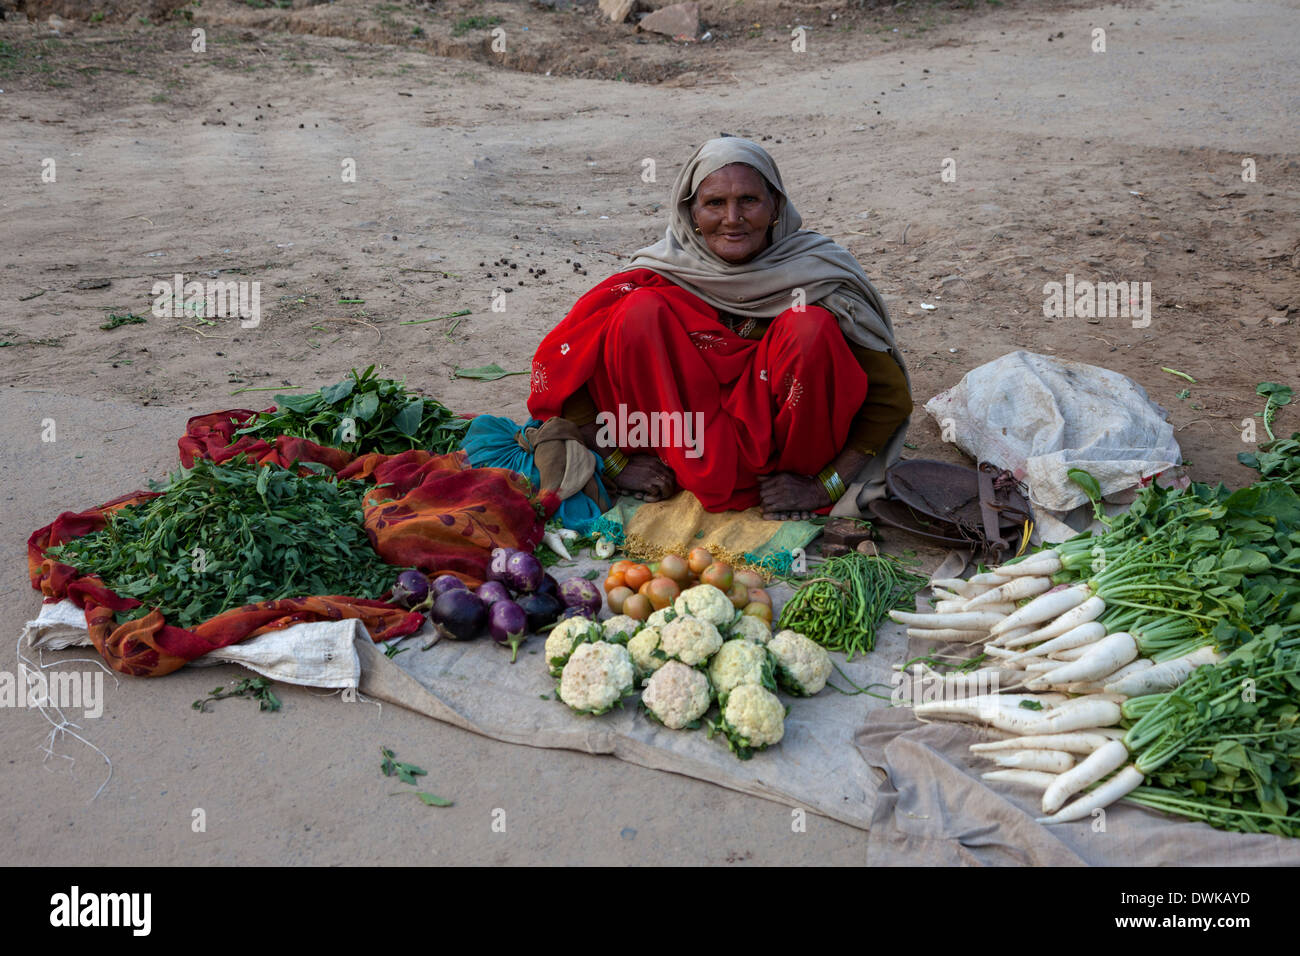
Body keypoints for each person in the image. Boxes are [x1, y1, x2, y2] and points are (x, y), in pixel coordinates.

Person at [527, 136, 913, 521]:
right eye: (714, 203)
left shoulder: (815, 274)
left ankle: (796, 477)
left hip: (786, 472)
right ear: (691, 212)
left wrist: (823, 484)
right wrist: (616, 465)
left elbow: (889, 396)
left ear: (776, 205)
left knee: (808, 327)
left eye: (748, 200)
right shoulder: (660, 273)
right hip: (674, 451)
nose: (732, 218)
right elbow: (565, 370)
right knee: (638, 312)